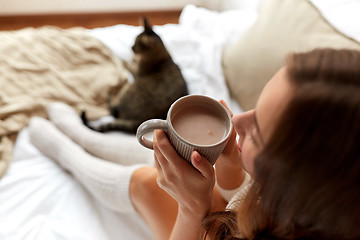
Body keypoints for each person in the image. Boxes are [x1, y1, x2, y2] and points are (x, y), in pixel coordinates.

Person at [29, 48, 360, 240]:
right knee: (175, 162)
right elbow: (240, 199)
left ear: (294, 184)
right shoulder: (315, 201)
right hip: (237, 223)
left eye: (257, 130)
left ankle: (66, 152)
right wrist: (232, 167)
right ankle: (85, 137)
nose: (239, 121)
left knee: (148, 183)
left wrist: (191, 208)